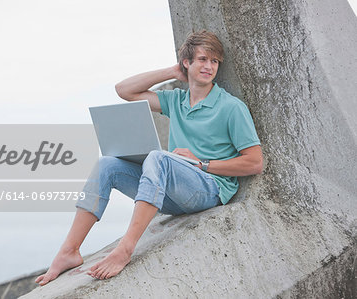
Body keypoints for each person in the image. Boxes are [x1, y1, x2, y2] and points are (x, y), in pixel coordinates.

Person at [35, 30, 263, 285]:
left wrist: (202, 163)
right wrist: (172, 72)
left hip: (210, 190)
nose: (209, 66)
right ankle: (69, 251)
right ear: (186, 62)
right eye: (202, 59)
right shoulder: (176, 100)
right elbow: (124, 90)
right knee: (107, 164)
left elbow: (255, 162)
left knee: (158, 158)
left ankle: (125, 249)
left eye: (214, 61)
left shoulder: (231, 108)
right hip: (171, 194)